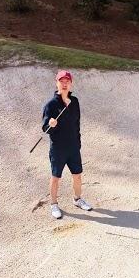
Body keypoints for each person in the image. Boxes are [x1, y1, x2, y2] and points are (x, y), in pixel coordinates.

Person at [42, 70, 93, 219]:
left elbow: (77, 124)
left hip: (73, 147)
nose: (64, 84)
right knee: (55, 177)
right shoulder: (50, 105)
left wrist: (78, 142)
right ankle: (54, 204)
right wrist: (51, 124)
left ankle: (77, 199)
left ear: (70, 84)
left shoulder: (75, 101)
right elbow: (45, 129)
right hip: (58, 148)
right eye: (61, 81)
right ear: (56, 83)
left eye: (67, 82)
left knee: (77, 175)